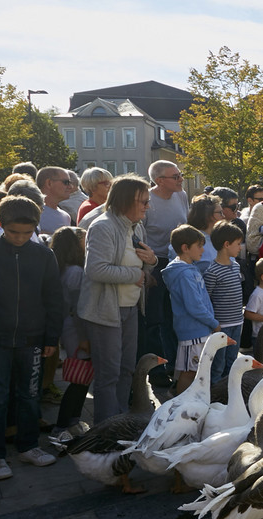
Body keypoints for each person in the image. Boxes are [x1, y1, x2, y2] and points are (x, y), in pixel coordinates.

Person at [0, 195, 63, 480]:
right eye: (13, 232)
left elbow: (54, 299)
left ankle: (28, 445)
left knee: (30, 396)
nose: (20, 238)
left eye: (26, 233)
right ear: (0, 224)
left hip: (32, 339)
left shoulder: (44, 255)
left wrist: (51, 337)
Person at [79, 175, 157, 424]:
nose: (147, 206)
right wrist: (135, 274)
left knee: (127, 370)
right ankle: (105, 429)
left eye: (148, 201)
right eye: (143, 201)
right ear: (125, 201)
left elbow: (144, 267)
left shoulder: (137, 225)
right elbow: (96, 270)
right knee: (109, 374)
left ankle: (121, 422)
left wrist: (152, 261)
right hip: (105, 311)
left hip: (130, 307)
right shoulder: (103, 226)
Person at [141, 161, 188, 384]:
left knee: (175, 314)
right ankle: (157, 370)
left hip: (177, 261)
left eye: (180, 175)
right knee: (156, 317)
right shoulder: (147, 201)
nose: (180, 180)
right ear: (159, 181)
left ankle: (175, 363)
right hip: (155, 263)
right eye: (175, 176)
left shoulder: (181, 196)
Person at [162, 225, 220, 394]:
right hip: (193, 332)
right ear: (185, 248)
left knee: (195, 371)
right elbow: (194, 306)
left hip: (199, 329)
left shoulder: (189, 269)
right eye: (199, 246)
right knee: (189, 372)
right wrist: (213, 323)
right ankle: (180, 404)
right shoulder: (184, 274)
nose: (203, 250)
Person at [49, 227, 91, 436]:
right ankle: (64, 424)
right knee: (80, 378)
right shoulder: (75, 272)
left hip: (71, 326)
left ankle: (72, 421)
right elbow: (77, 307)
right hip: (76, 329)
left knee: (82, 377)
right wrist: (84, 338)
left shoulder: (65, 268)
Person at [203, 222, 246, 384]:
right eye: (237, 244)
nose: (240, 248)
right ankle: (214, 395)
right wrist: (213, 323)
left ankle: (228, 394)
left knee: (232, 362)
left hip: (237, 322)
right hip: (222, 326)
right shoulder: (212, 271)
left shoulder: (235, 266)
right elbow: (206, 298)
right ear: (226, 245)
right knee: (218, 365)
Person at [36, 166, 76, 234]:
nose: (71, 187)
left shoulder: (66, 216)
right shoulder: (34, 213)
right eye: (66, 182)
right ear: (49, 183)